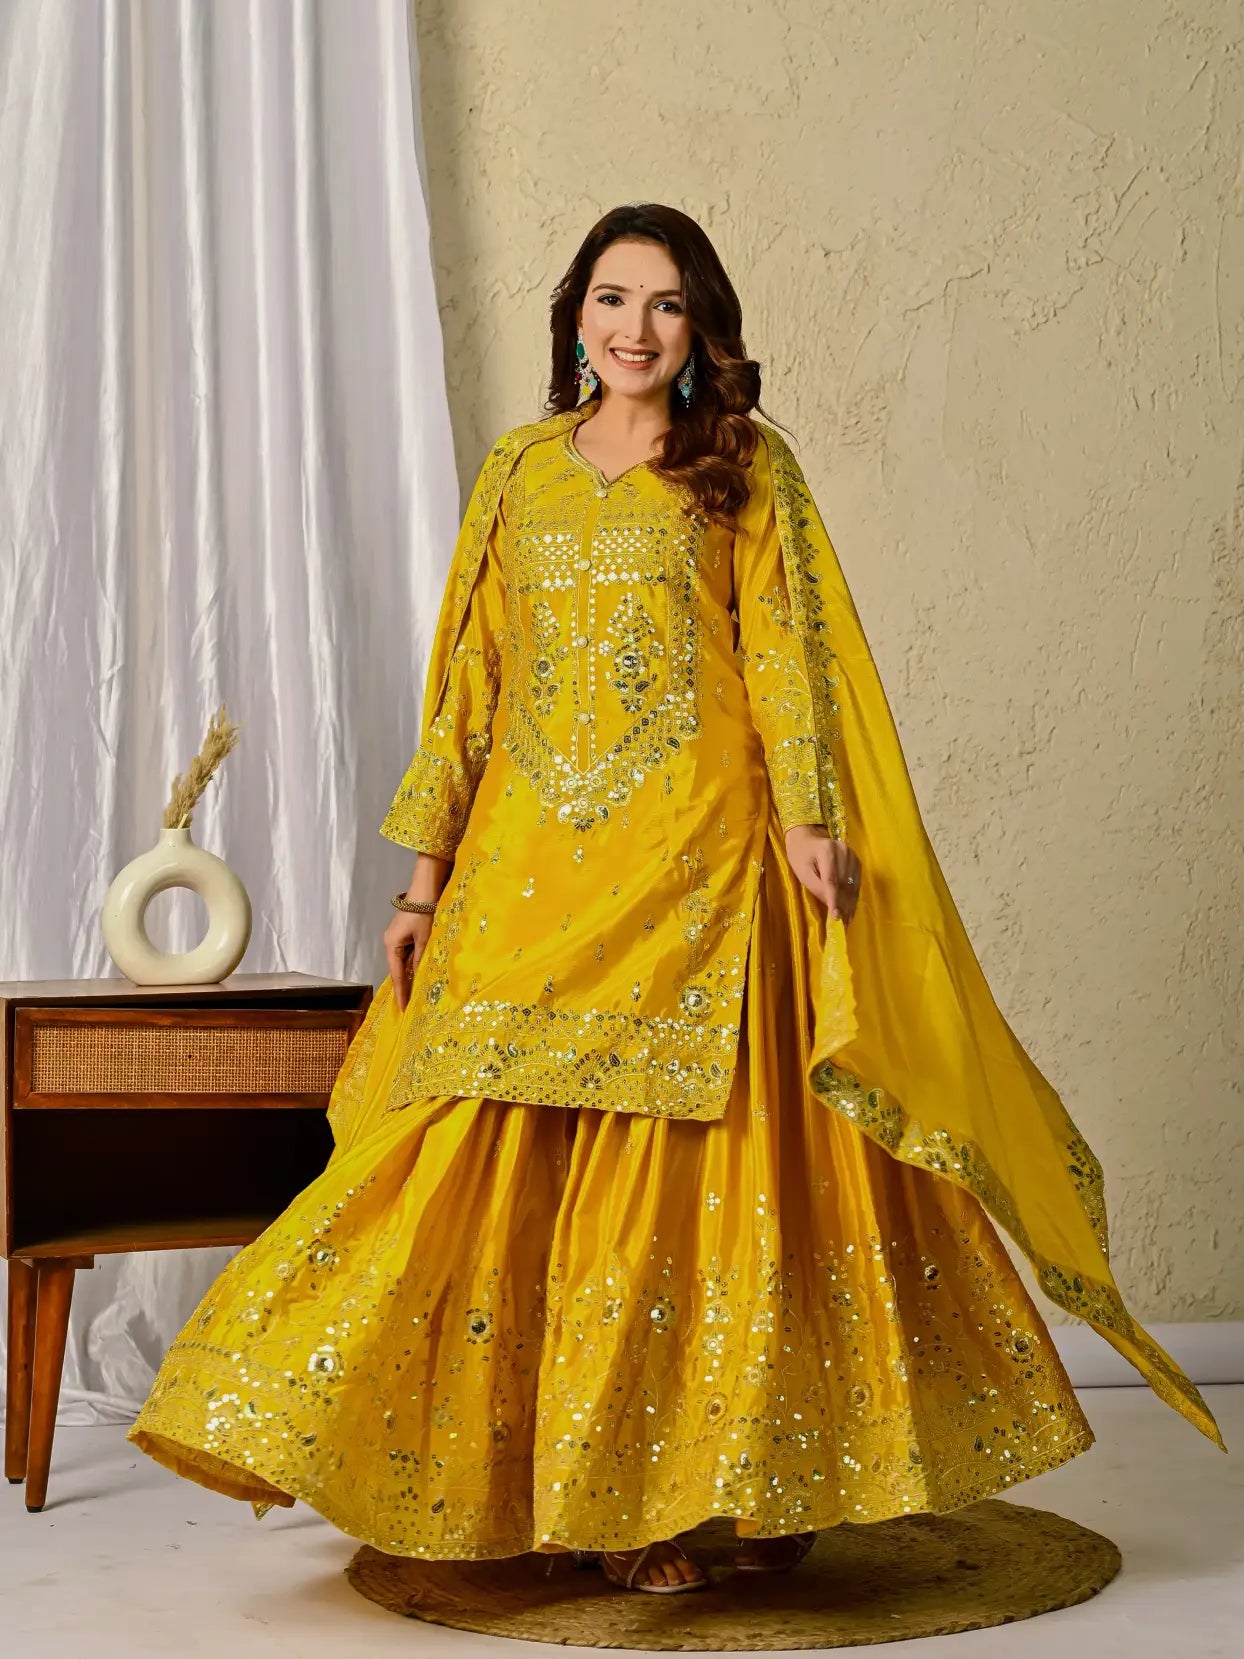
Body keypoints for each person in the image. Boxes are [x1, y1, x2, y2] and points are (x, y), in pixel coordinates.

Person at [130, 203, 1223, 1596]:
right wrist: (423, 879)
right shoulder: (517, 473)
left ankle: (695, 1500)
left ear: (704, 331)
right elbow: (470, 685)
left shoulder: (745, 469)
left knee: (697, 1191)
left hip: (701, 867)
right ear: (573, 316)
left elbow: (786, 657)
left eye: (664, 305)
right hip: (527, 871)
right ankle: (471, 1478)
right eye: (610, 298)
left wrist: (811, 823)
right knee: (473, 1167)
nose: (634, 328)